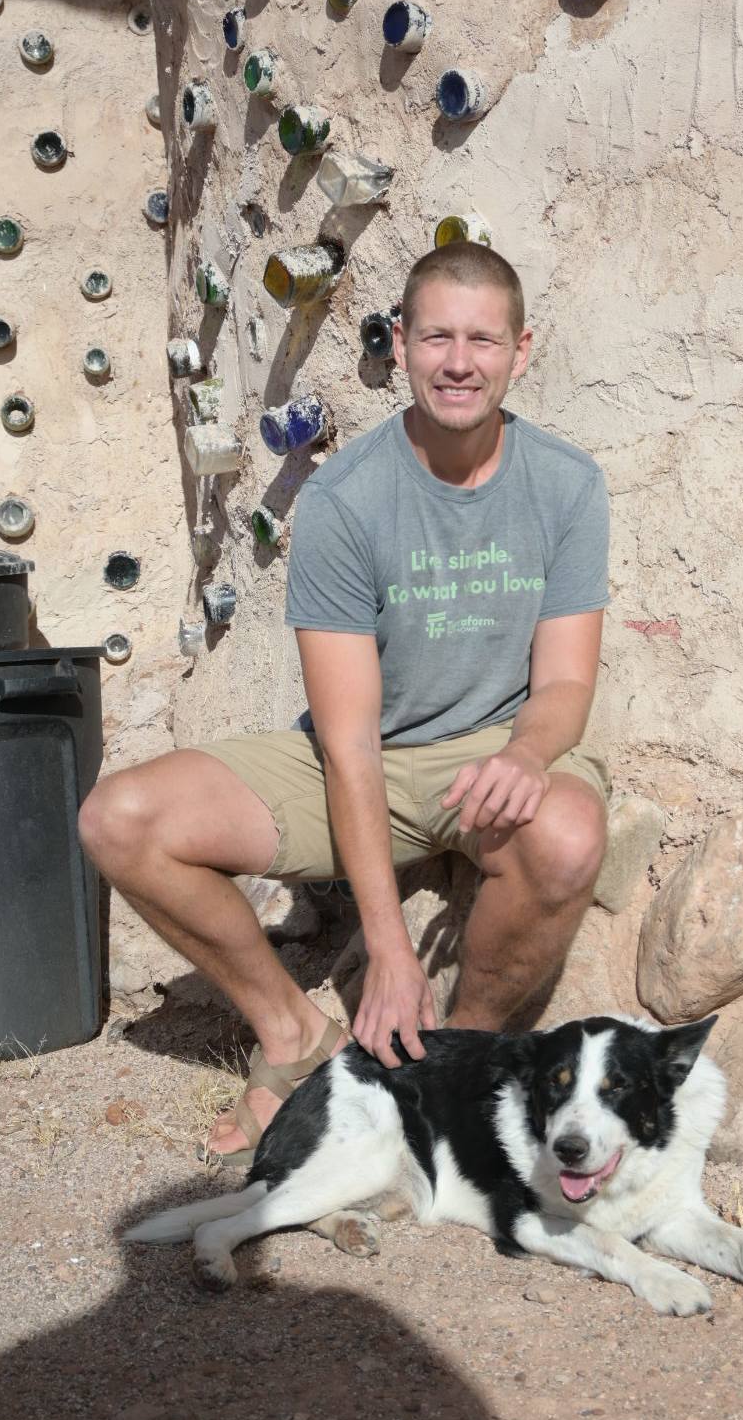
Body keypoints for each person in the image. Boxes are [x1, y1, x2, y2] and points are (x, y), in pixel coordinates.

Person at [78, 242, 612, 1164]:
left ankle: (454, 1058)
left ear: (522, 351)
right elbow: (350, 742)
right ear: (401, 343)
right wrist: (389, 948)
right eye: (437, 335)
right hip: (354, 757)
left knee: (567, 834)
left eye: (483, 339)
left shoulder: (566, 485)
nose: (459, 361)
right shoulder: (345, 499)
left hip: (491, 753)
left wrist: (525, 758)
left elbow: (565, 684)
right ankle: (293, 1036)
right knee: (120, 819)